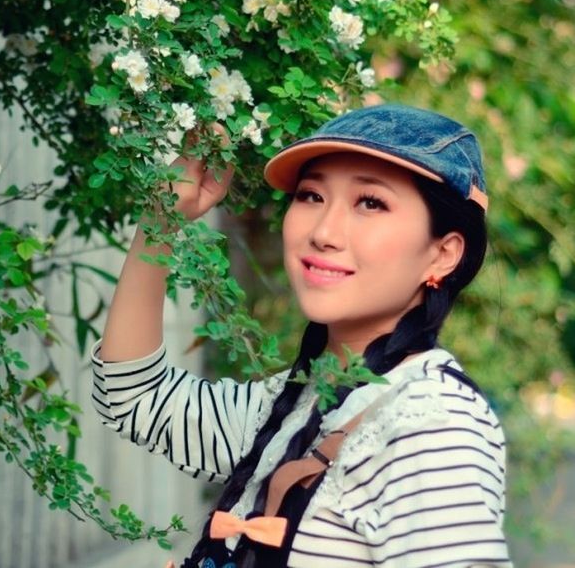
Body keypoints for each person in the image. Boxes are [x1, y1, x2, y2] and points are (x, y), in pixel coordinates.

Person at [91, 104, 511, 567]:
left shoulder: (433, 424)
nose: (324, 231)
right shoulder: (294, 404)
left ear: (443, 254)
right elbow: (134, 397)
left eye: (371, 203)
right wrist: (161, 218)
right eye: (311, 196)